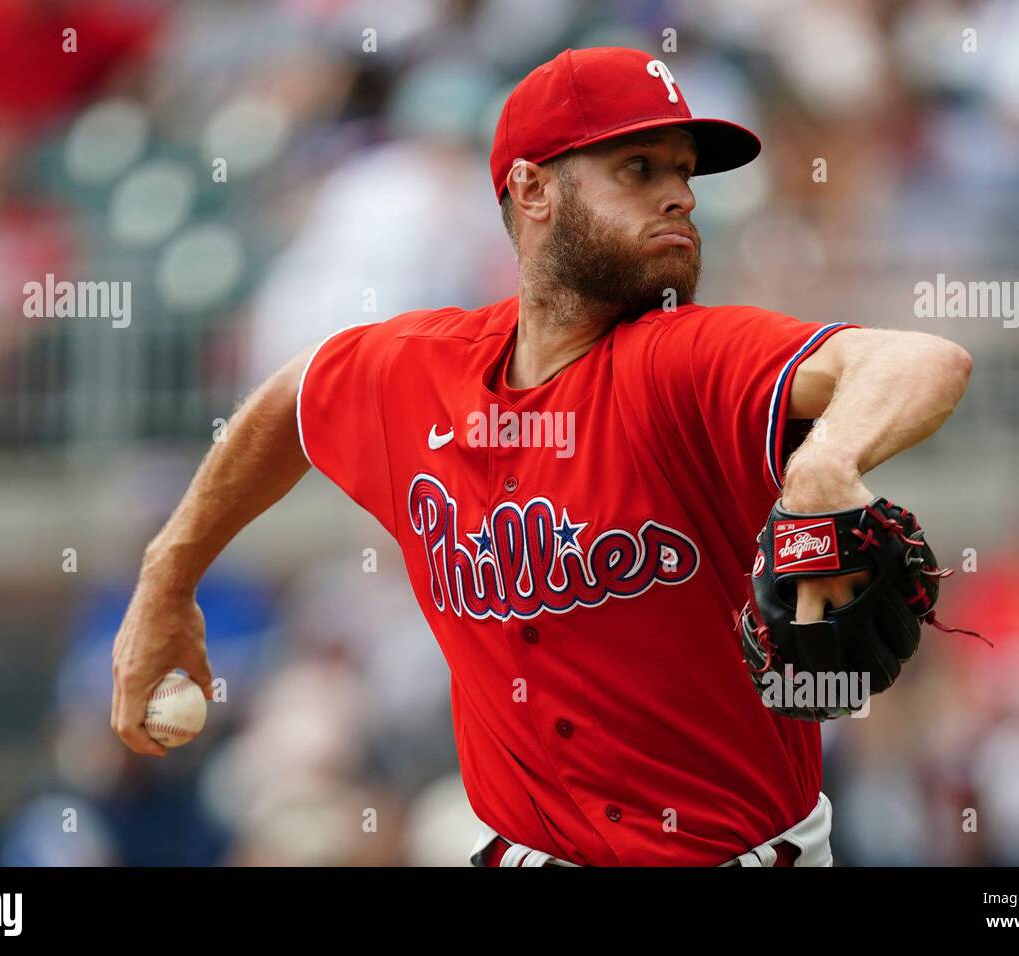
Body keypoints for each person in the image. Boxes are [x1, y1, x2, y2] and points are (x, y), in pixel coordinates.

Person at [111, 47, 973, 867]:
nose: (680, 196)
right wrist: (167, 580)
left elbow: (918, 361)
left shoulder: (686, 361)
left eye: (683, 172)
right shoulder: (417, 372)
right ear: (532, 188)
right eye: (640, 169)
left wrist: (824, 467)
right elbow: (290, 403)